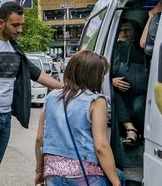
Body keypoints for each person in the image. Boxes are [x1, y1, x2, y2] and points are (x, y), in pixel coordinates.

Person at [0, 2, 64, 186]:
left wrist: (65, 88)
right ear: (1, 23)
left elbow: (36, 73)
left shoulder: (15, 48)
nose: (20, 29)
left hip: (4, 117)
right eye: (15, 25)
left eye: (21, 25)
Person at [35, 50, 122, 186]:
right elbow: (101, 147)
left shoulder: (51, 97)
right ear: (94, 76)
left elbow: (40, 138)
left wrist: (40, 171)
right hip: (85, 175)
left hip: (53, 174)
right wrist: (116, 183)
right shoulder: (96, 101)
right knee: (120, 176)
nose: (102, 79)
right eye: (101, 75)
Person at [110, 20, 148, 146]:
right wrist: (112, 81)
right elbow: (103, 74)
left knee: (140, 106)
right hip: (120, 94)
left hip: (142, 93)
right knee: (112, 94)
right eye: (120, 30)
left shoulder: (145, 50)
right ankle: (130, 130)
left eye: (128, 29)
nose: (124, 33)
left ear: (137, 33)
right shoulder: (112, 49)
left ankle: (144, 135)